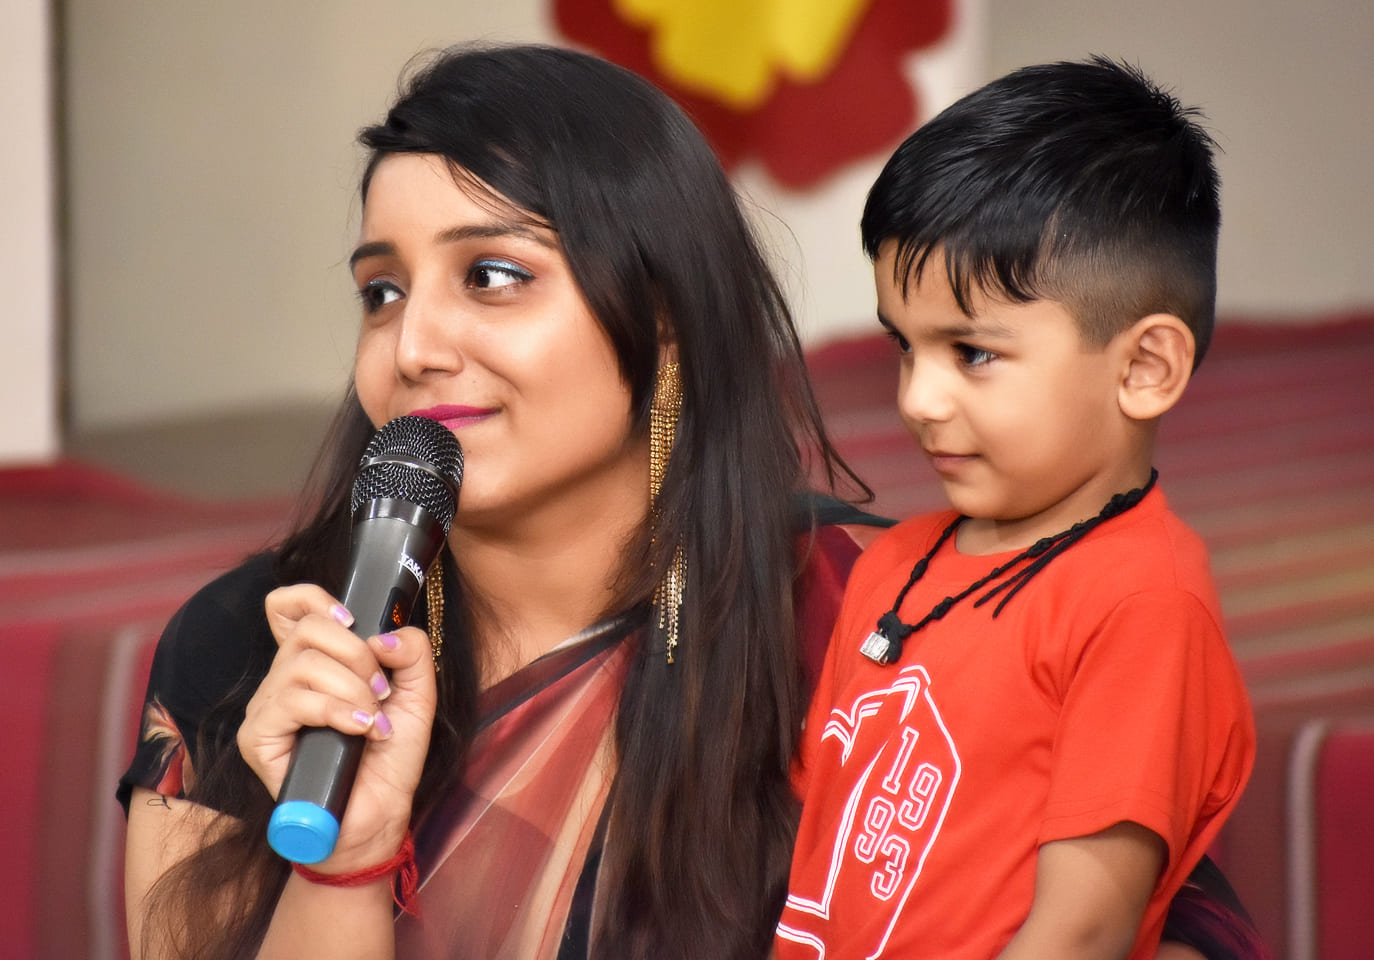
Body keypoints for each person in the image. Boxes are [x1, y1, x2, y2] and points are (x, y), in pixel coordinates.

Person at [119, 43, 884, 960]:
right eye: (382, 292)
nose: (414, 347)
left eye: (490, 276)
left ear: (666, 319)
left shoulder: (862, 618)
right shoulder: (257, 652)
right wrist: (345, 862)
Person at [775, 58, 1262, 960]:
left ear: (1144, 368)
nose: (918, 399)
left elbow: (1082, 931)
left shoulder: (1141, 602)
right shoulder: (894, 566)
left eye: (973, 353)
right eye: (904, 347)